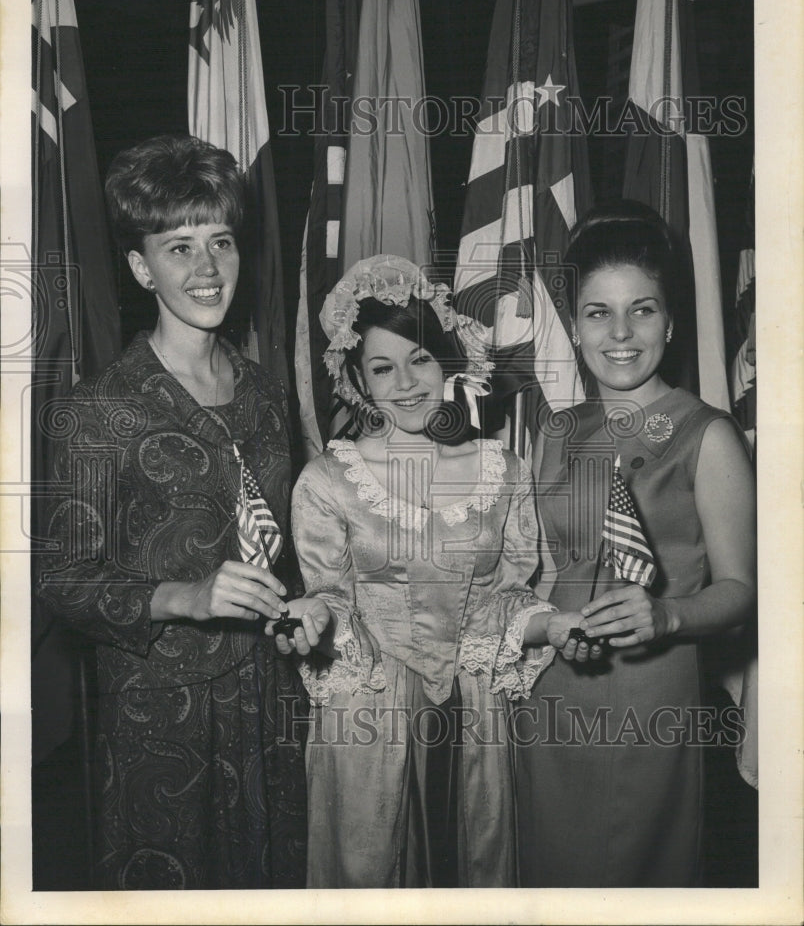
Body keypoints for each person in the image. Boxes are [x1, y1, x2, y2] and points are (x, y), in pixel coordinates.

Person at [36, 134, 307, 889]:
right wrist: (182, 597)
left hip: (272, 701)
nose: (207, 267)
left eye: (220, 240)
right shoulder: (98, 410)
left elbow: (283, 554)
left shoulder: (266, 395)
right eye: (179, 246)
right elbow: (60, 576)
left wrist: (309, 609)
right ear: (139, 267)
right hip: (160, 718)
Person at [272, 254, 589, 888]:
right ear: (357, 381)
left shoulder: (504, 470)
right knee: (370, 867)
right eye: (382, 368)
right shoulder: (327, 481)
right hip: (369, 713)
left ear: (448, 359)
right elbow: (331, 597)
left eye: (420, 358)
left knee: (473, 864)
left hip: (474, 710)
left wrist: (552, 626)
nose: (407, 383)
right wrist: (314, 614)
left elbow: (503, 599)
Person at [515, 200, 757, 887]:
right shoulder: (555, 432)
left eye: (642, 310)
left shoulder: (707, 435)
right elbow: (545, 573)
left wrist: (671, 615)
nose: (620, 332)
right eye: (598, 312)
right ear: (576, 325)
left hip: (654, 697)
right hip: (555, 694)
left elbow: (742, 592)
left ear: (671, 320)